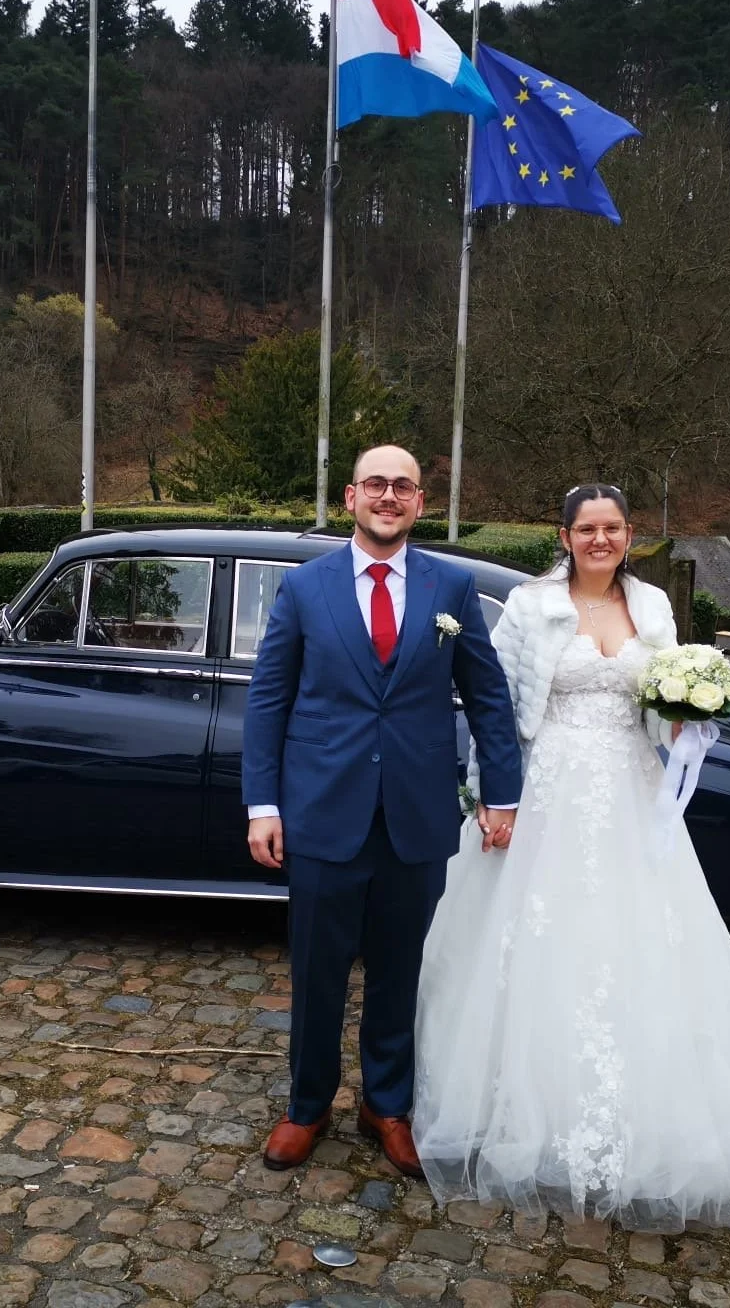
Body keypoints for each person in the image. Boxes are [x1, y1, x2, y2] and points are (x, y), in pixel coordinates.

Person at [413, 484, 730, 1229]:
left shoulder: (652, 606)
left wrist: (692, 718)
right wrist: (492, 797)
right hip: (547, 790)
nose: (600, 540)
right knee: (536, 941)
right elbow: (494, 707)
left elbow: (657, 697)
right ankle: (522, 1096)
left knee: (636, 936)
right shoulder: (529, 608)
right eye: (586, 528)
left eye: (613, 528)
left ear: (628, 535)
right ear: (563, 536)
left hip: (630, 791)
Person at [243, 445, 524, 1177]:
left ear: (420, 502)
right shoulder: (306, 588)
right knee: (318, 972)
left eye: (403, 486)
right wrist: (263, 805)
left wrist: (502, 794)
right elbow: (269, 699)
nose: (389, 495)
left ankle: (386, 1105)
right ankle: (307, 1107)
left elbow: (489, 698)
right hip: (322, 810)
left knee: (402, 971)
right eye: (376, 484)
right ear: (351, 497)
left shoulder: (453, 589)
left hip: (416, 816)